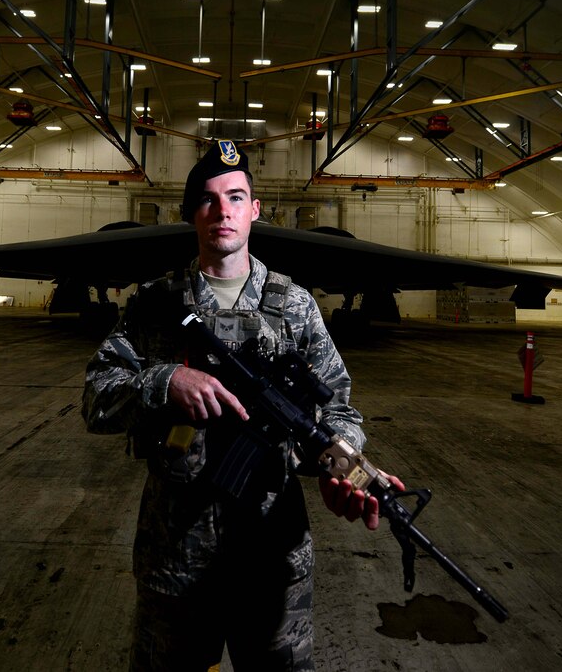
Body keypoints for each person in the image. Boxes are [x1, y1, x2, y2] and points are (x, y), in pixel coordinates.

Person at [82, 139, 404, 671]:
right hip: (177, 561)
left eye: (236, 197)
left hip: (271, 561)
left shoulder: (294, 305)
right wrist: (164, 382)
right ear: (192, 214)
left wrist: (345, 469)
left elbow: (341, 411)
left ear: (255, 210)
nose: (223, 211)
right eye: (208, 199)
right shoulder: (156, 305)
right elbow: (96, 397)